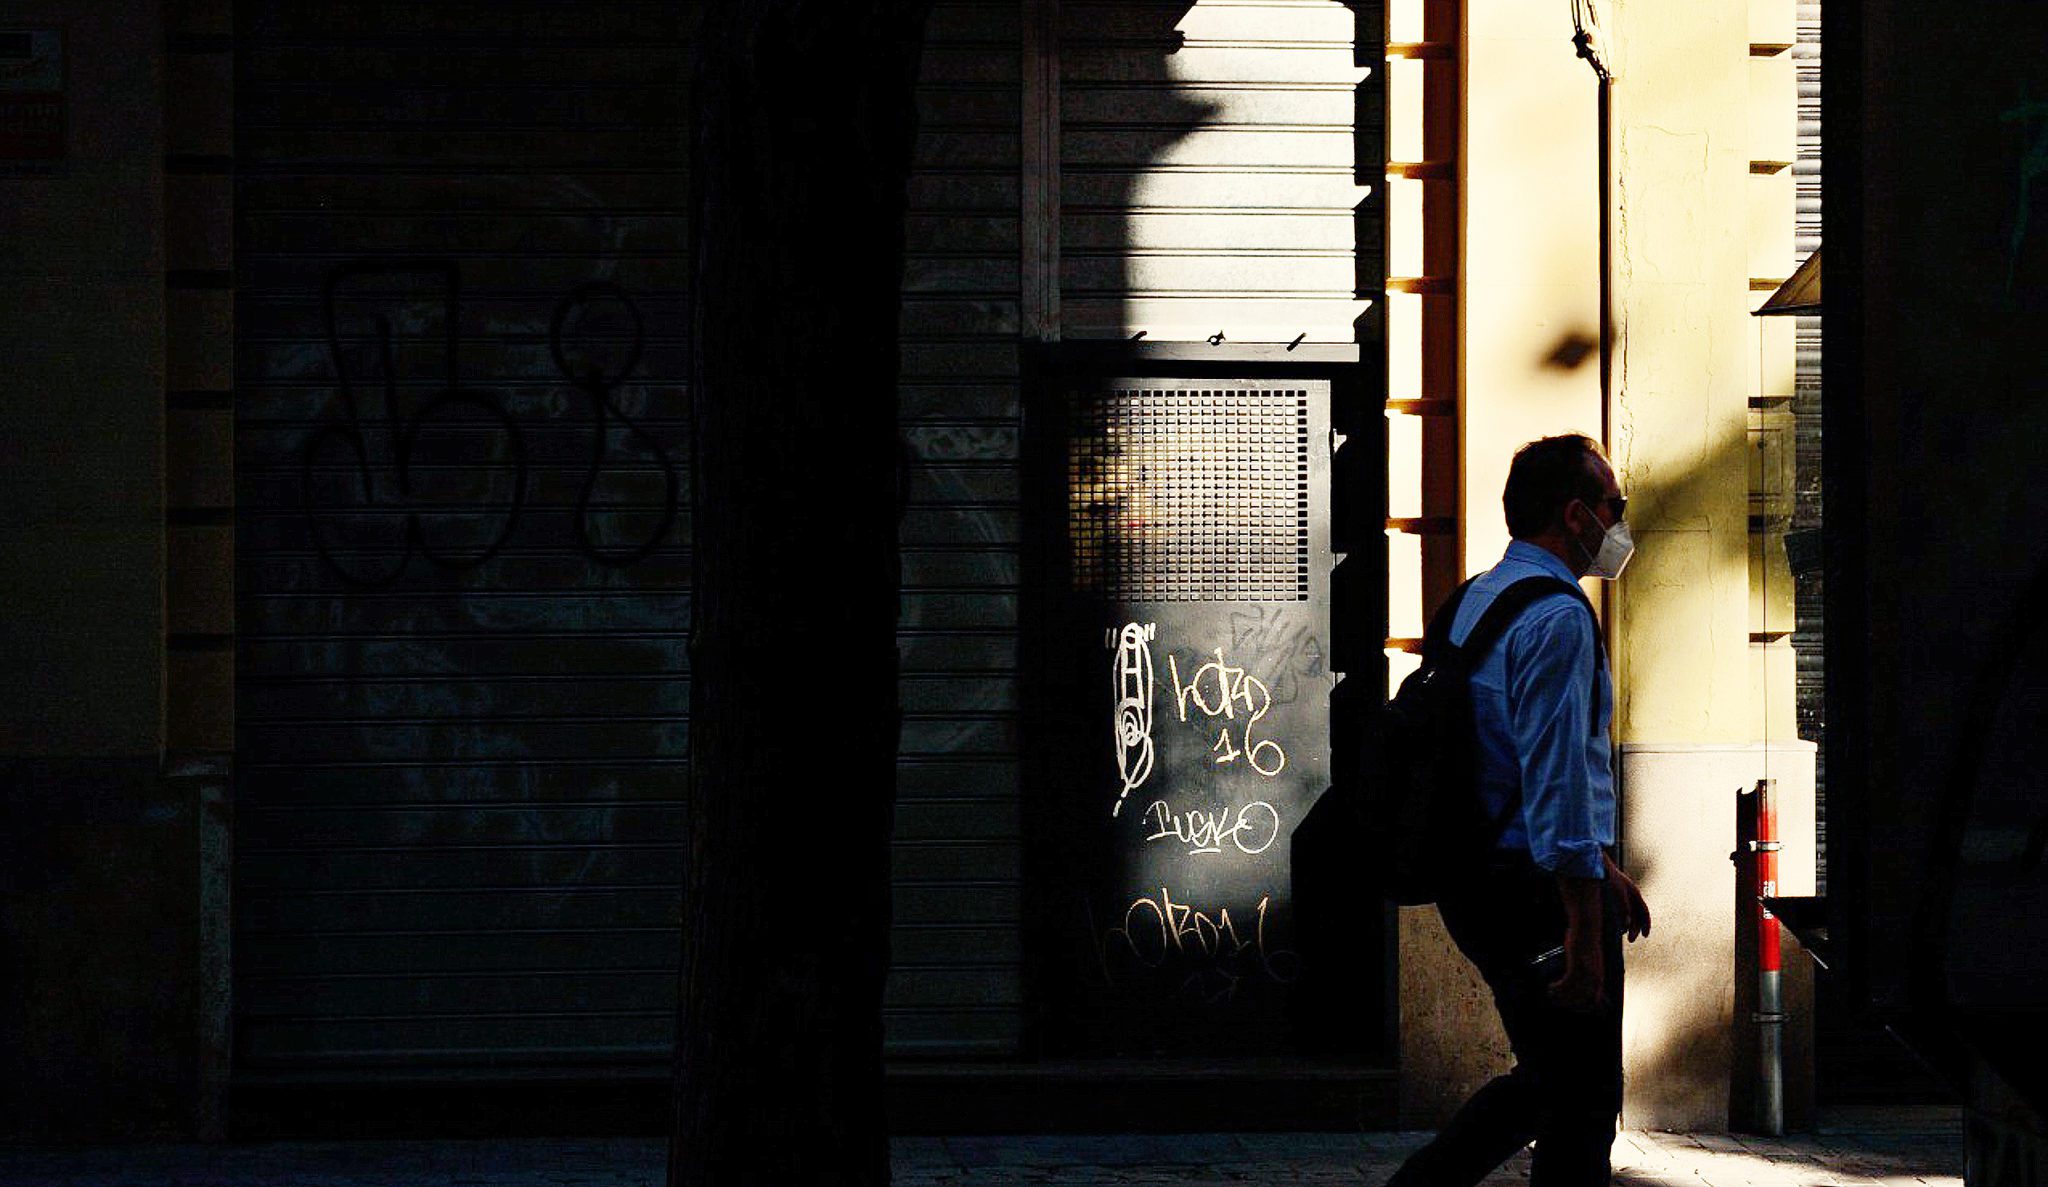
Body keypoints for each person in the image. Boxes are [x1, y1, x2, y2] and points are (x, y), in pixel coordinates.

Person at [1384, 434, 1653, 1187]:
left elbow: (1500, 755)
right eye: (1614, 506)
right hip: (1534, 892)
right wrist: (1585, 928)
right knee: (1580, 1100)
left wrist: (1602, 865)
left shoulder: (1476, 598)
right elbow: (1558, 781)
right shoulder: (1559, 619)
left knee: (1554, 1081)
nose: (1618, 522)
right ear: (1575, 515)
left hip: (1476, 880)